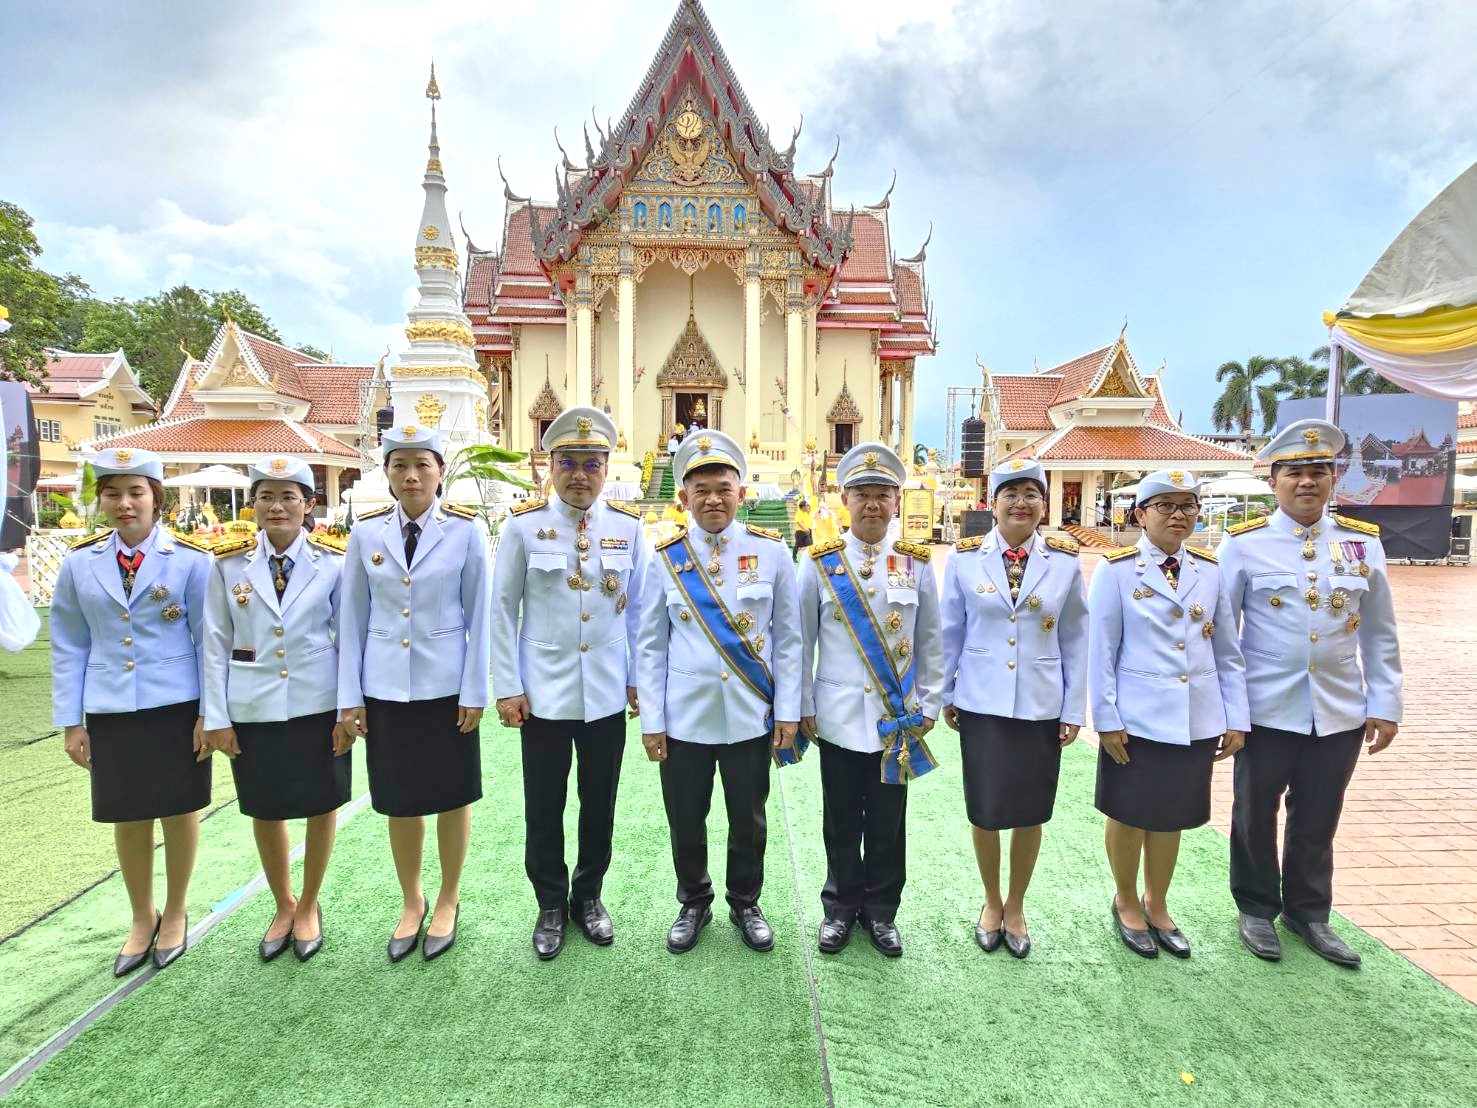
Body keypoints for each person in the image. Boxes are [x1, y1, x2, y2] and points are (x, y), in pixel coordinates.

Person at [1219, 419, 1402, 967]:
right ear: (1273, 480)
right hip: (1266, 707)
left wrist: (1384, 704)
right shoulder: (1244, 544)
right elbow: (1224, 635)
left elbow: (1380, 631)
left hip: (1339, 707)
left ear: (1333, 479)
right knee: (1255, 811)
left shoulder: (1361, 544)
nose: (1307, 481)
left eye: (1319, 471)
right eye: (1295, 472)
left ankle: (1309, 912)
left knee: (1319, 815)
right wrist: (1230, 711)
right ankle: (1256, 907)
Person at [636, 430, 802, 954]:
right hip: (685, 718)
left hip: (749, 713)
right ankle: (694, 900)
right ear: (683, 497)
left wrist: (788, 712)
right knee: (686, 816)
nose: (713, 499)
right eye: (701, 490)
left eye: (723, 488)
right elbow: (650, 647)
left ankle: (745, 902)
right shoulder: (665, 558)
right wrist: (652, 721)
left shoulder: (771, 553)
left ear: (741, 494)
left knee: (748, 819)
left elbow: (790, 641)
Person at [491, 406, 648, 960]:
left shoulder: (628, 527)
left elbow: (640, 613)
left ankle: (589, 895)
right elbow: (501, 609)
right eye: (569, 462)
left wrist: (637, 679)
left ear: (606, 468)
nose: (580, 474)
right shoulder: (522, 526)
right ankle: (551, 903)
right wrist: (507, 686)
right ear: (550, 465)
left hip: (604, 691)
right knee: (544, 804)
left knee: (599, 802)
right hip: (542, 694)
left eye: (591, 463)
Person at [50, 447, 214, 975]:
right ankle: (143, 915)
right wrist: (71, 722)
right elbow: (69, 643)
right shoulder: (80, 562)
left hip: (176, 703)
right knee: (128, 812)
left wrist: (210, 713)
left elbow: (209, 642)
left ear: (155, 499)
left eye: (136, 492)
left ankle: (177, 909)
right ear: (101, 500)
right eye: (113, 493)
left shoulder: (190, 559)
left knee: (179, 808)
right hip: (110, 706)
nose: (125, 503)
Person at [338, 424, 491, 963]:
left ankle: (448, 897)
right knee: (399, 800)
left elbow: (480, 616)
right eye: (399, 465)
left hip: (446, 688)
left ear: (440, 472)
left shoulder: (465, 532)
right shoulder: (366, 534)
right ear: (386, 473)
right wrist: (350, 697)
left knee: (452, 795)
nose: (411, 476)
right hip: (384, 688)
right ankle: (412, 899)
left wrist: (475, 690)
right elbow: (352, 618)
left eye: (422, 465)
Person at [1088, 469, 1248, 959]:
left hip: (1195, 716)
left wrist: (1235, 717)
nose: (1178, 515)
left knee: (1170, 816)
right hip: (1136, 719)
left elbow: (1228, 651)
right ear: (1141, 514)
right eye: (1165, 505)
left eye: (1187, 506)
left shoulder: (1210, 570)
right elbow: (1101, 651)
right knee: (1128, 812)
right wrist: (1106, 719)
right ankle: (1126, 899)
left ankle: (1157, 902)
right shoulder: (1115, 571)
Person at [200, 456, 350, 963]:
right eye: (267, 496)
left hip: (318, 702)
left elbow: (347, 640)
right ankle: (282, 904)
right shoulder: (227, 565)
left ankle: (309, 904)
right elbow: (214, 643)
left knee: (321, 804)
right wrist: (216, 716)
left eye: (289, 497)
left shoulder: (334, 562)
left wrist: (347, 711)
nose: (277, 506)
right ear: (253, 504)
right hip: (253, 705)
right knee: (264, 807)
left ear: (309, 504)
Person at [798, 442, 943, 958]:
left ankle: (881, 912)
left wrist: (929, 704)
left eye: (882, 494)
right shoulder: (819, 564)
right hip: (837, 718)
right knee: (839, 819)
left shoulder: (917, 563)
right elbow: (802, 642)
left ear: (897, 501)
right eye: (862, 494)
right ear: (845, 500)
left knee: (888, 821)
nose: (873, 504)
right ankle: (839, 908)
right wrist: (804, 705)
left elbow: (931, 640)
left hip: (895, 720)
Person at [940, 459, 1088, 958]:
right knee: (985, 810)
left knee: (1030, 812)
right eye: (1011, 493)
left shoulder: (1064, 562)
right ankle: (991, 900)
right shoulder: (964, 558)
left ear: (1044, 504)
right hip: (981, 702)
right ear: (993, 502)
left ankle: (1017, 905)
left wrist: (1073, 707)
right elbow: (950, 632)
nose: (1020, 503)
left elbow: (1076, 638)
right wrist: (945, 694)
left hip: (1040, 705)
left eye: (1031, 494)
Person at [791, 499, 814, 564]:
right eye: (806, 506)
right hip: (799, 532)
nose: (807, 507)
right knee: (797, 545)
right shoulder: (798, 513)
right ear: (803, 507)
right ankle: (794, 557)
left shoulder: (806, 513)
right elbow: (799, 523)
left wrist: (808, 529)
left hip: (806, 532)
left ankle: (810, 558)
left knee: (809, 544)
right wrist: (805, 529)